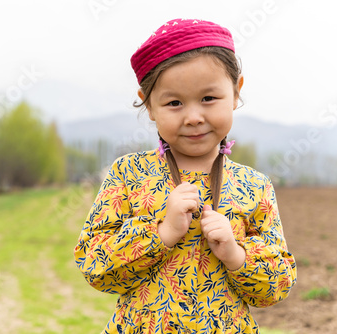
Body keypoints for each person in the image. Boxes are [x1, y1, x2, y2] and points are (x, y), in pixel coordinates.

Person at [74, 18, 297, 333]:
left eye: (208, 98)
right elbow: (94, 265)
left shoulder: (254, 186)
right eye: (174, 103)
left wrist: (235, 254)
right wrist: (161, 233)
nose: (194, 117)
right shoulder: (128, 175)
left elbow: (277, 285)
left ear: (236, 91)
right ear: (149, 105)